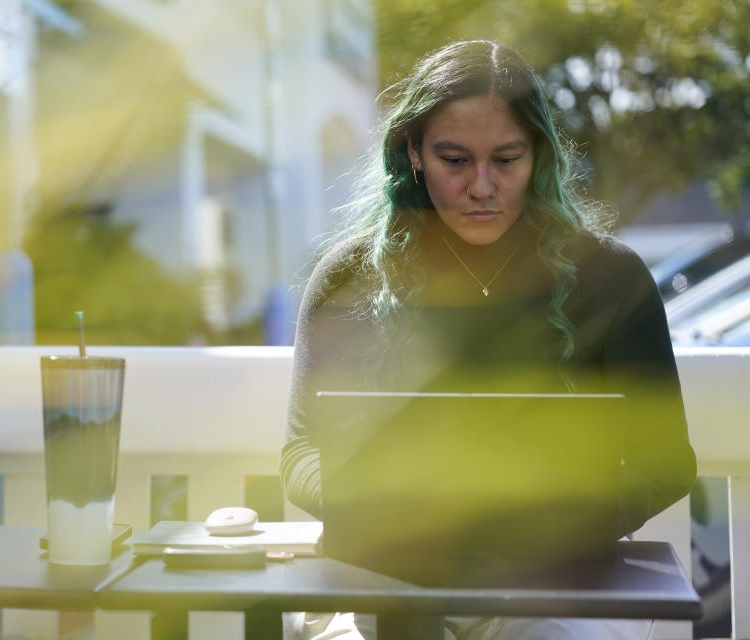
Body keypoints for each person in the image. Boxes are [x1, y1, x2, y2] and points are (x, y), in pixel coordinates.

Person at [280, 40, 696, 640]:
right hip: (384, 578)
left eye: (506, 160)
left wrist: (560, 529)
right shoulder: (351, 277)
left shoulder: (611, 278)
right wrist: (375, 516)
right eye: (455, 160)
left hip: (558, 585)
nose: (482, 186)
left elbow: (667, 462)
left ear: (540, 156)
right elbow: (300, 452)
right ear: (414, 154)